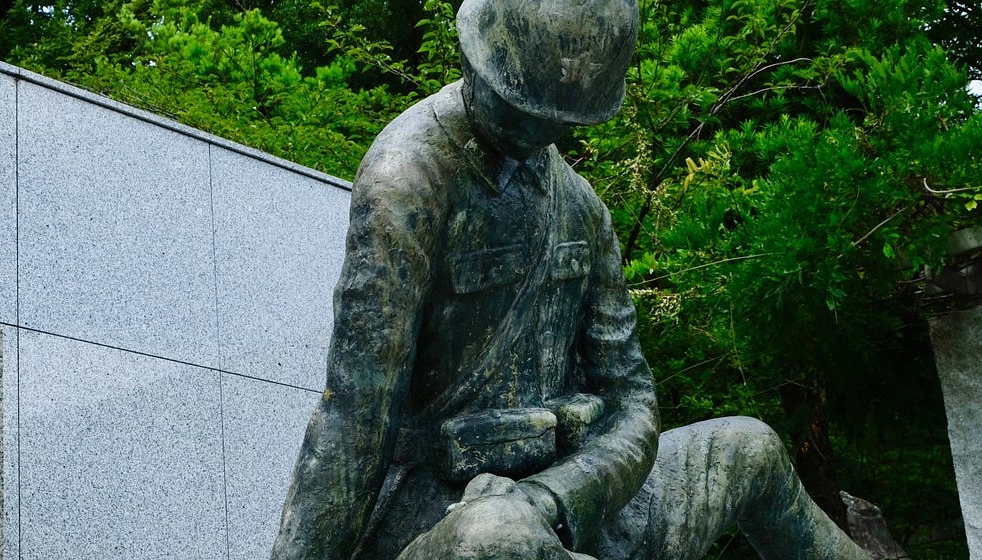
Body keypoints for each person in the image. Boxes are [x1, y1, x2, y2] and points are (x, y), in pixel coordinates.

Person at [270, 0, 872, 559]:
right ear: (472, 58)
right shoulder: (407, 180)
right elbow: (354, 417)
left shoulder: (581, 207)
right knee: (498, 539)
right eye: (519, 111)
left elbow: (633, 403)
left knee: (752, 449)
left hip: (584, 498)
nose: (534, 135)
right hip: (448, 514)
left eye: (552, 122)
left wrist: (555, 498)